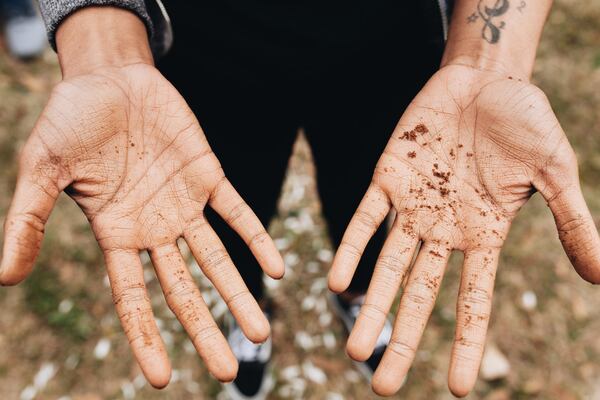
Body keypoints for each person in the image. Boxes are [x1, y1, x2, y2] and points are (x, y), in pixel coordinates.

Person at [0, 0, 598, 399]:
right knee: (227, 196)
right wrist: (102, 42)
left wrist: (489, 56)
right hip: (212, 38)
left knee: (376, 191)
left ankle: (360, 289)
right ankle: (247, 311)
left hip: (394, 34)